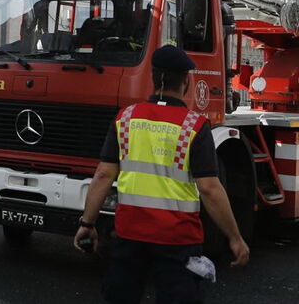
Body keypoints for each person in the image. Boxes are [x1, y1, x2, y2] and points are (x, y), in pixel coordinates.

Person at [74, 45, 249, 303]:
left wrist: (87, 224)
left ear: (153, 78)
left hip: (130, 234)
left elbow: (103, 175)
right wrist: (235, 238)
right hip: (177, 239)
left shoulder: (126, 118)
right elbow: (210, 188)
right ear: (187, 82)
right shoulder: (194, 126)